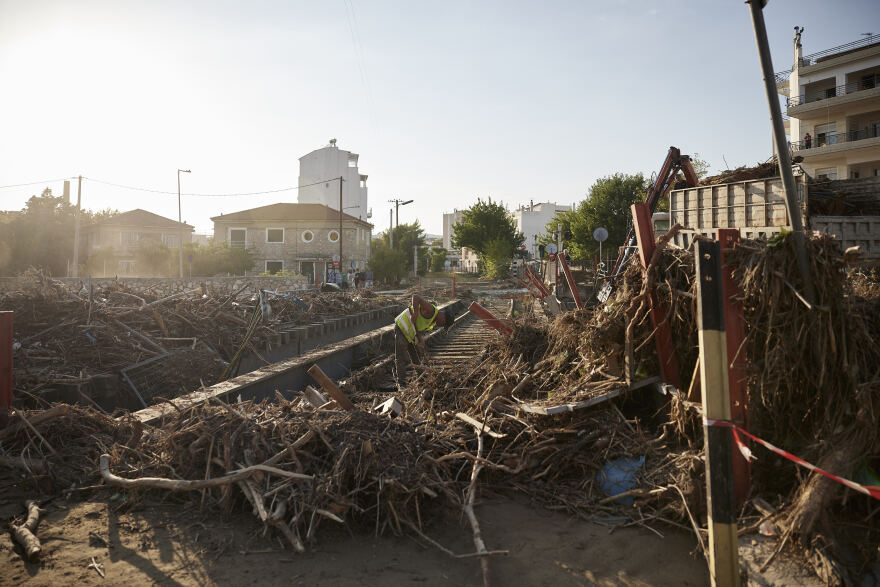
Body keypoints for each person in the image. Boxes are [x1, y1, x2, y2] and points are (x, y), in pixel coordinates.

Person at [394, 295, 454, 387]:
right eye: (443, 324)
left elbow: (417, 325)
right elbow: (415, 297)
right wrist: (416, 312)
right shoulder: (430, 310)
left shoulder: (433, 321)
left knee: (416, 356)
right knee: (401, 357)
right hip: (402, 327)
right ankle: (401, 384)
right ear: (444, 319)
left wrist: (420, 339)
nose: (441, 326)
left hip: (410, 333)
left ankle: (421, 379)